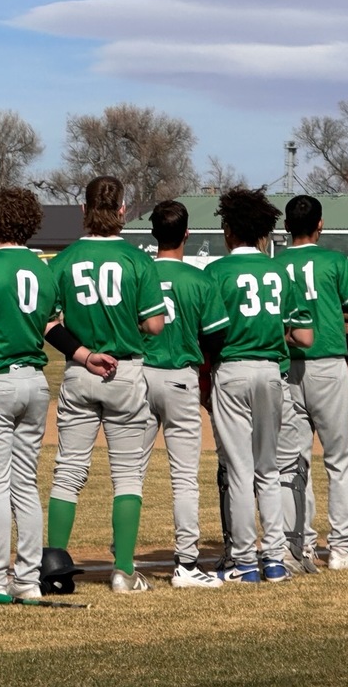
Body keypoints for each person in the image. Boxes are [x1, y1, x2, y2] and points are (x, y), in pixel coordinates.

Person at [0, 187, 113, 600]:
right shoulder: (43, 271)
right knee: (24, 483)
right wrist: (85, 355)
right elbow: (51, 327)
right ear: (32, 224)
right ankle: (26, 579)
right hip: (35, 384)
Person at [45, 175, 166, 594]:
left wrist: (82, 352)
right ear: (122, 211)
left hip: (80, 369)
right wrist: (128, 325)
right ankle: (123, 571)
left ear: (83, 210)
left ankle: (55, 565)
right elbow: (155, 323)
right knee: (127, 476)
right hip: (125, 370)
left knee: (68, 472)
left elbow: (47, 322)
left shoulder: (63, 260)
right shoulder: (137, 260)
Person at [205, 187, 312, 583]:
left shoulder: (216, 272)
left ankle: (245, 562)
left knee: (239, 471)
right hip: (271, 371)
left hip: (232, 368)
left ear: (229, 230)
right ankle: (275, 560)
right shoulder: (278, 272)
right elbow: (298, 333)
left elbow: (208, 333)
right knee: (269, 469)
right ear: (264, 232)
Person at [140, 201, 228, 589]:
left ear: (153, 234)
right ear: (187, 234)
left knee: (130, 475)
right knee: (184, 477)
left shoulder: (138, 275)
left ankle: (123, 562)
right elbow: (216, 337)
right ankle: (186, 564)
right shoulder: (199, 280)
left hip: (139, 376)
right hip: (181, 376)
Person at [274, 195, 348, 571]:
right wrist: (332, 309)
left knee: (295, 461)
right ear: (320, 224)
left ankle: (301, 544)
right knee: (339, 460)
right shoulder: (336, 262)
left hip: (287, 368)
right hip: (328, 366)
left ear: (287, 226)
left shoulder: (275, 265)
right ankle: (341, 547)